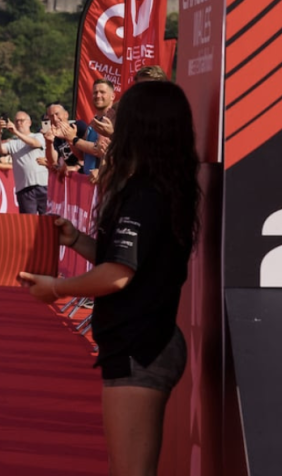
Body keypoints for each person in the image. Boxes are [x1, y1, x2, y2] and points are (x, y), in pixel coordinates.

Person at [19, 80, 200, 476]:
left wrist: (58, 289)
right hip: (139, 342)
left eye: (120, 117)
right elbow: (124, 259)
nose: (109, 125)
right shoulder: (160, 187)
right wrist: (78, 240)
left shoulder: (146, 193)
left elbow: (119, 274)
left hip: (142, 345)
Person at [0, 111, 47, 214]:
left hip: (43, 185)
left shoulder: (38, 136)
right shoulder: (13, 143)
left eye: (22, 120)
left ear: (29, 123)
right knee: (29, 222)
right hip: (24, 188)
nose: (19, 123)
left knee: (48, 218)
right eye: (17, 121)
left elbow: (34, 143)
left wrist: (15, 132)